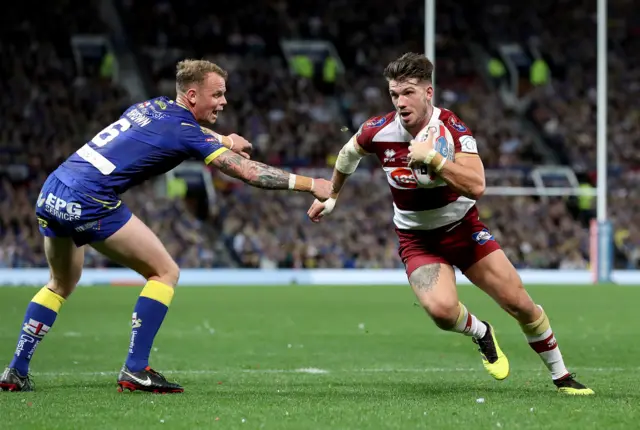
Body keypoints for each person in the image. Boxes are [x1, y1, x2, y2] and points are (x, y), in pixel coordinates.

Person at [0, 59, 331, 394]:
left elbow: (183, 130)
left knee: (59, 284)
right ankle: (135, 369)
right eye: (216, 95)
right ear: (191, 95)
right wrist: (308, 182)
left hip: (54, 189)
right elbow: (247, 172)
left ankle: (16, 369)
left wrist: (226, 140)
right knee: (165, 272)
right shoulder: (184, 131)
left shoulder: (151, 105)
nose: (224, 102)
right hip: (89, 199)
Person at [307, 52, 593, 395]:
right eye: (394, 94)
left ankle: (562, 377)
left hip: (463, 230)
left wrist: (435, 159)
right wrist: (333, 194)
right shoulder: (377, 131)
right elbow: (348, 154)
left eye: (408, 92)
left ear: (428, 92)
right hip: (417, 239)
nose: (400, 102)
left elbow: (477, 185)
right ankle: (482, 333)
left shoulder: (453, 129)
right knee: (442, 312)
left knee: (521, 305)